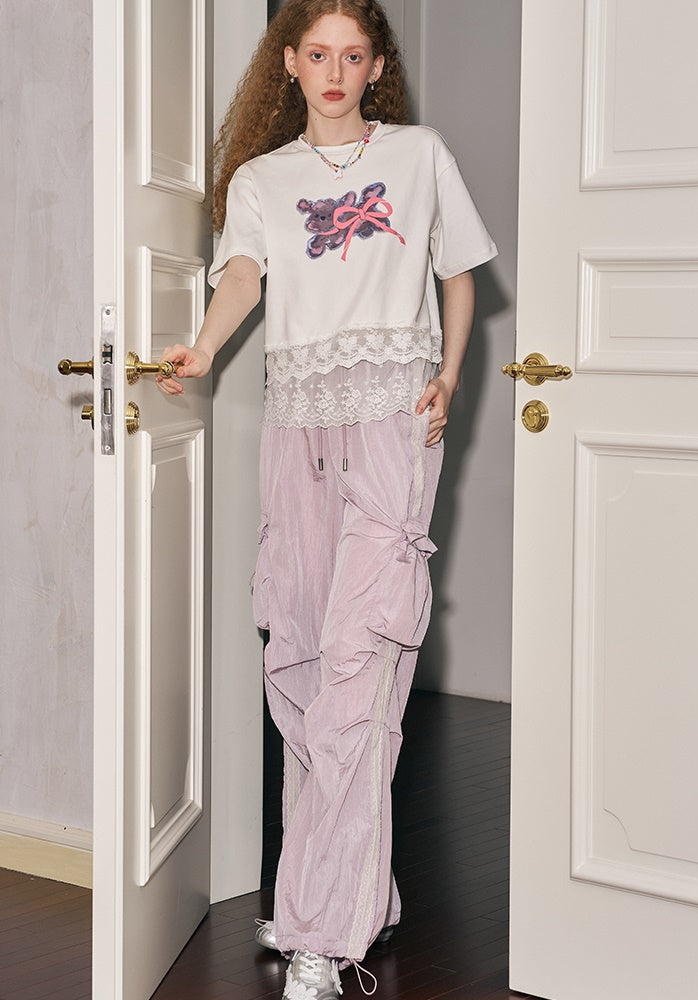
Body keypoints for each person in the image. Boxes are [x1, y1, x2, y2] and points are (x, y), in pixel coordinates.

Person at [157, 1, 497, 996]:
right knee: (301, 652)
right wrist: (203, 348)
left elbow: (461, 275)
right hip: (298, 423)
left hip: (394, 418)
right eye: (318, 53)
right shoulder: (263, 179)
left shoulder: (419, 155)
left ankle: (324, 929)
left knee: (361, 655)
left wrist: (449, 376)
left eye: (354, 55)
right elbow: (244, 276)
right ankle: (352, 888)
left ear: (377, 66)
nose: (336, 71)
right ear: (292, 64)